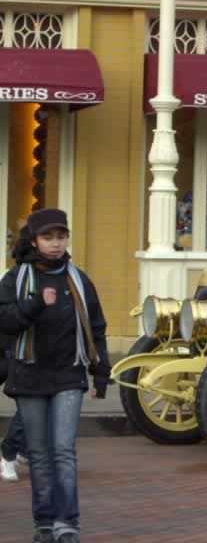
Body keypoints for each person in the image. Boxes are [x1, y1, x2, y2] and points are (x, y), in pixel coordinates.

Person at [0, 210, 111, 543]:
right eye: (48, 238)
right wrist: (34, 305)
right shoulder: (15, 279)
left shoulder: (78, 279)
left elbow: (96, 328)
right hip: (30, 375)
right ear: (34, 240)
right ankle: (44, 523)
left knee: (63, 450)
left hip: (68, 375)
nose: (56, 244)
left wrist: (100, 372)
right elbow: (5, 324)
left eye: (61, 237)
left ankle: (67, 525)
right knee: (38, 453)